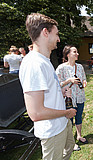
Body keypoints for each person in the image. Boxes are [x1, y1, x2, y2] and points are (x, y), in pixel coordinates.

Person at [19, 13, 77, 160]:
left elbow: (46, 92)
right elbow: (36, 113)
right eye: (56, 34)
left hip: (62, 124)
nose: (58, 39)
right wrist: (66, 113)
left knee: (69, 148)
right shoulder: (34, 64)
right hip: (52, 131)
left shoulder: (44, 60)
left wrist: (60, 92)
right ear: (45, 32)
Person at [56, 45, 88, 151]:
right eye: (75, 52)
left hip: (79, 96)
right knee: (69, 120)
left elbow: (84, 79)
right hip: (68, 98)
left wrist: (84, 83)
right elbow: (57, 84)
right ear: (68, 54)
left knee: (79, 117)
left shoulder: (80, 67)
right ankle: (70, 141)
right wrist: (69, 80)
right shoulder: (61, 68)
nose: (77, 54)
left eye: (77, 52)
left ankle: (79, 136)